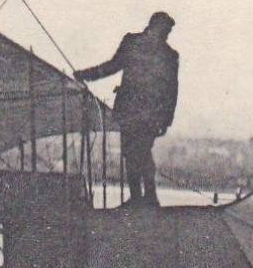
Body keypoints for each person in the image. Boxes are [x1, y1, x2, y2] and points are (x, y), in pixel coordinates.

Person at [74, 11, 179, 207]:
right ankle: (143, 198)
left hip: (145, 114)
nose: (166, 36)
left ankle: (145, 197)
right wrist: (86, 75)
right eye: (165, 31)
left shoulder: (164, 53)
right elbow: (113, 65)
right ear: (154, 26)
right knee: (133, 153)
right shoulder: (139, 45)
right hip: (136, 111)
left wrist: (166, 120)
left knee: (140, 152)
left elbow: (171, 90)